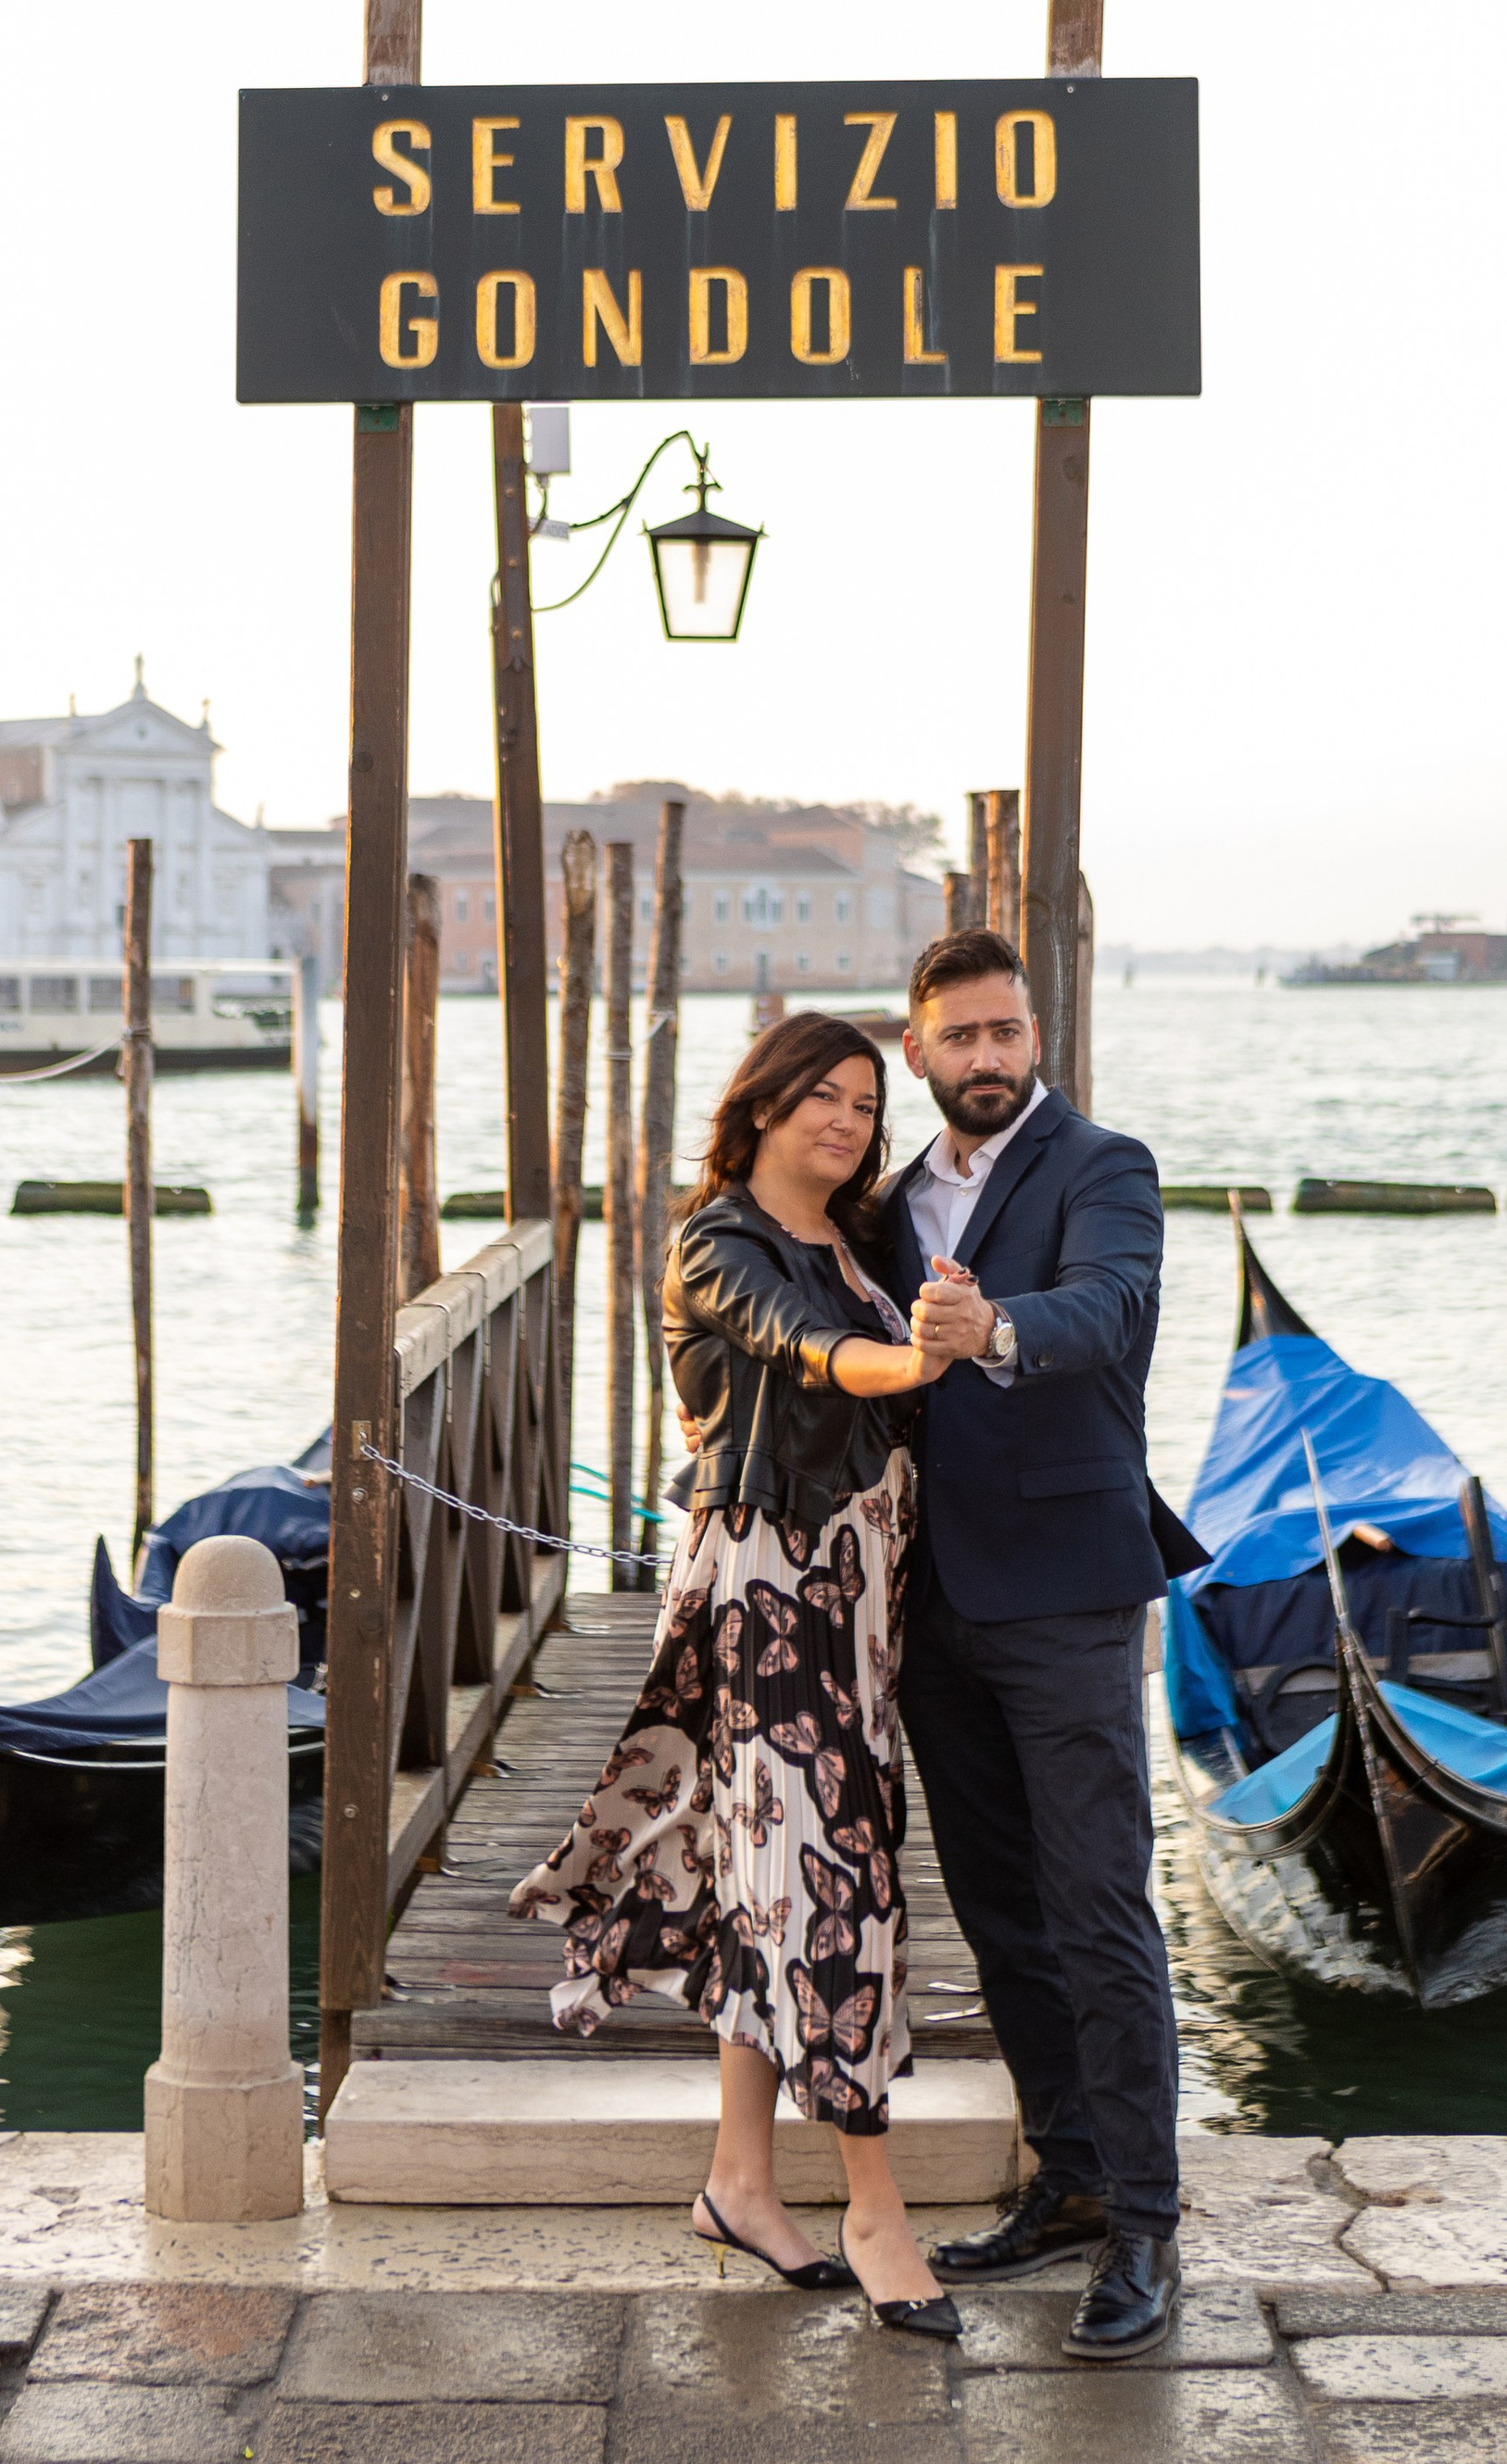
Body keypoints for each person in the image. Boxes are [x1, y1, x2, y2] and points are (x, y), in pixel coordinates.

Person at [509, 1012, 960, 2338]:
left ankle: (739, 2185)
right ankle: (874, 2211)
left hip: (862, 1609)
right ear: (759, 1105)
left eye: (869, 1105)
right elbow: (806, 1352)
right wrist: (916, 1356)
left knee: (766, 1885)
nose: (847, 1120)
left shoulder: (867, 1238)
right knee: (838, 1892)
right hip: (770, 1601)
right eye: (820, 1095)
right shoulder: (719, 1245)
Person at [882, 924, 1200, 2362]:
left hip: (1069, 1597)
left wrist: (996, 1323)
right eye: (964, 1038)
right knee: (1001, 1911)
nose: (992, 1058)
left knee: (1099, 1907)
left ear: (1035, 1038)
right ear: (919, 1052)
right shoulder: (888, 1204)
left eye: (1009, 1033)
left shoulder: (1103, 1167)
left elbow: (1112, 1305)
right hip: (932, 1607)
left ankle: (1144, 2218)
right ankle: (1067, 2179)